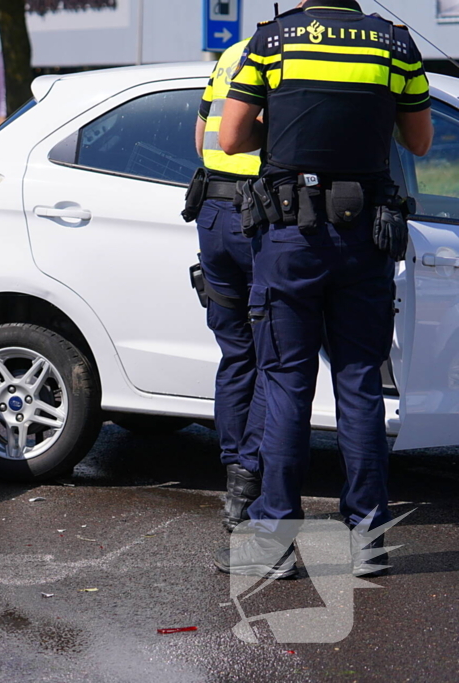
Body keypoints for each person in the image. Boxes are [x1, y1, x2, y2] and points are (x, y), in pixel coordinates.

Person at [214, 0, 433, 579]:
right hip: (366, 236)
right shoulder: (395, 44)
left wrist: (287, 122)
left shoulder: (273, 40)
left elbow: (230, 139)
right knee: (359, 384)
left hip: (290, 239)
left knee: (286, 385)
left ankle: (274, 543)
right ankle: (368, 542)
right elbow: (419, 142)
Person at [188, 39, 266, 532]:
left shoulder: (231, 53)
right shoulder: (286, 50)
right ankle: (252, 478)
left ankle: (235, 472)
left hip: (214, 214)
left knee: (237, 354)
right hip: (261, 216)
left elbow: (203, 139)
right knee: (273, 355)